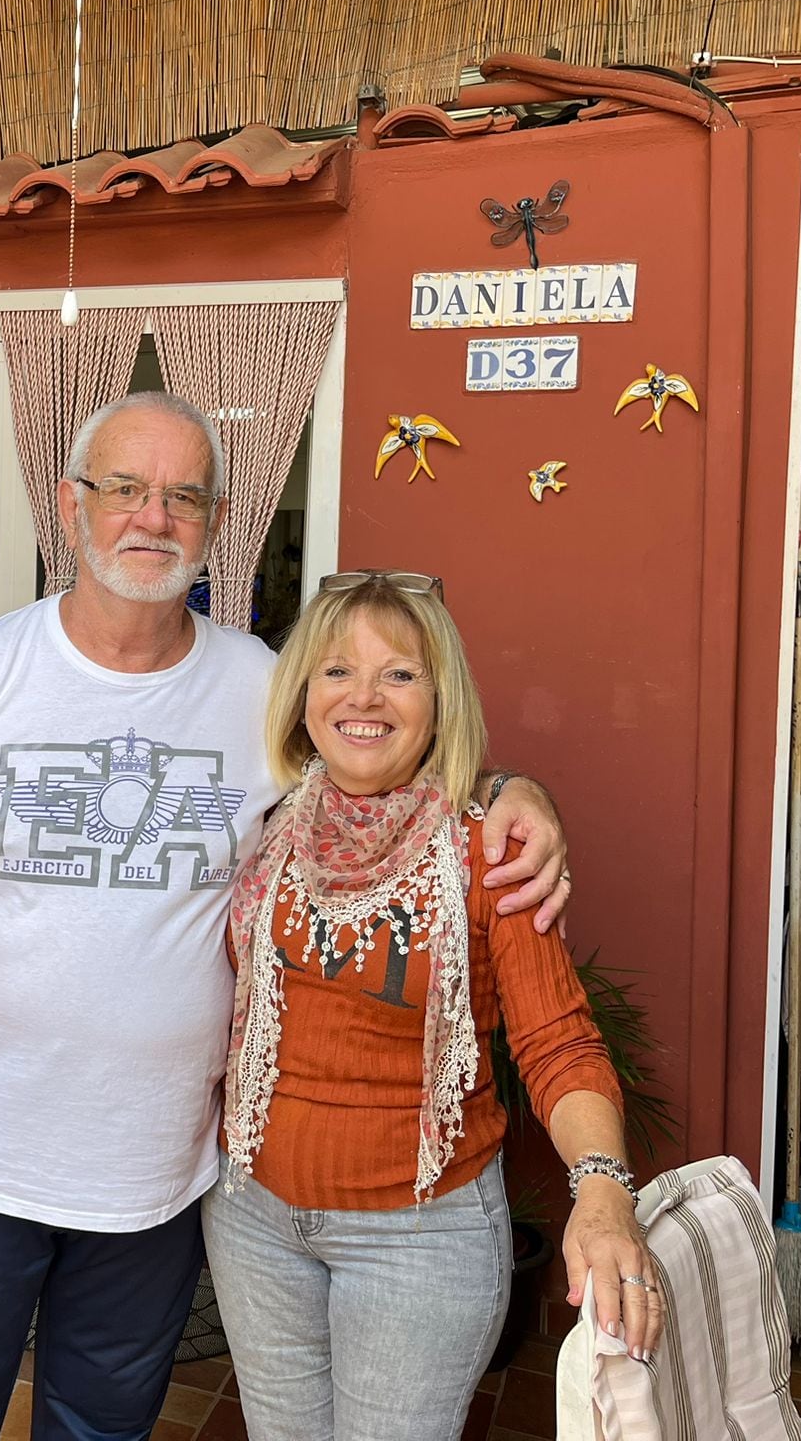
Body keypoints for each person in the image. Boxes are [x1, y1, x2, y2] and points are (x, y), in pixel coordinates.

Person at [0, 392, 572, 1441]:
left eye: (180, 496)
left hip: (157, 1174)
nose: (150, 517)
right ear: (68, 505)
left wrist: (513, 792)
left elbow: (387, 765)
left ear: (213, 523)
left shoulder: (258, 690)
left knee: (99, 1430)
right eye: (123, 488)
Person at [205, 571, 658, 1441]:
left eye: (400, 675)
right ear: (303, 695)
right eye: (336, 671)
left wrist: (602, 1193)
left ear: (440, 700)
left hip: (419, 1239)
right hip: (252, 1219)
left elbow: (558, 1040)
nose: (364, 697)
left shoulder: (486, 852)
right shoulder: (261, 826)